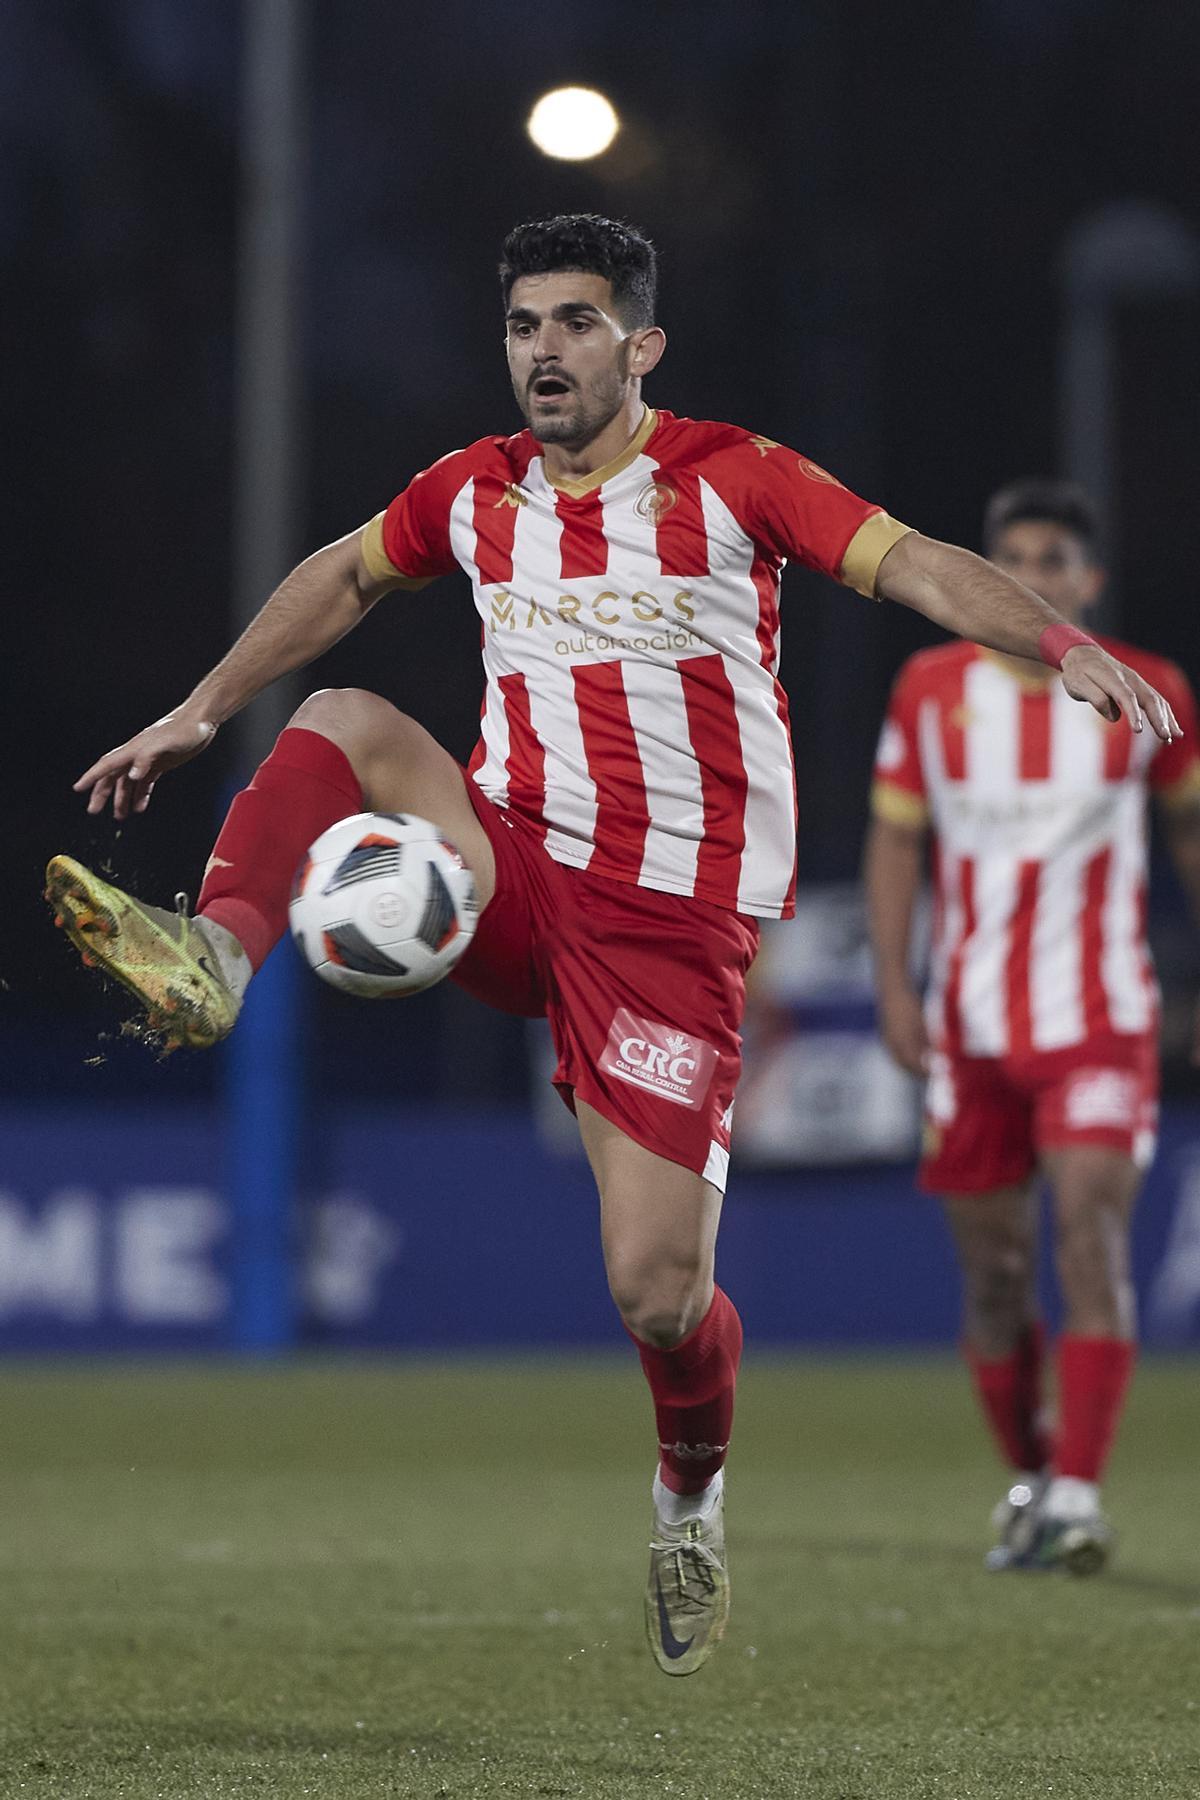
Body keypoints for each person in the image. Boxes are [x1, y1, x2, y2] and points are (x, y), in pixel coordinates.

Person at [48, 218, 1180, 1667]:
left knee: (658, 1293)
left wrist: (1060, 643)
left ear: (640, 346)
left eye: (576, 323)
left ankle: (688, 1498)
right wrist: (200, 709)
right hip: (513, 867)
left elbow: (920, 568)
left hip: (670, 931)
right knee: (343, 719)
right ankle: (216, 954)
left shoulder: (737, 478)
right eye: (525, 326)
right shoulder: (475, 490)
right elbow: (341, 577)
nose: (546, 352)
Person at [866, 479, 1200, 1574]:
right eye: (1011, 558)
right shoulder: (929, 689)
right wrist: (895, 988)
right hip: (968, 1029)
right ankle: (1037, 1474)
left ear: (1089, 579)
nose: (1031, 576)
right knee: (996, 1278)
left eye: (1053, 559)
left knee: (1089, 1237)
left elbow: (1191, 833)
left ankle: (1080, 1498)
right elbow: (896, 842)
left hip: (1099, 1020)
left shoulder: (1151, 689)